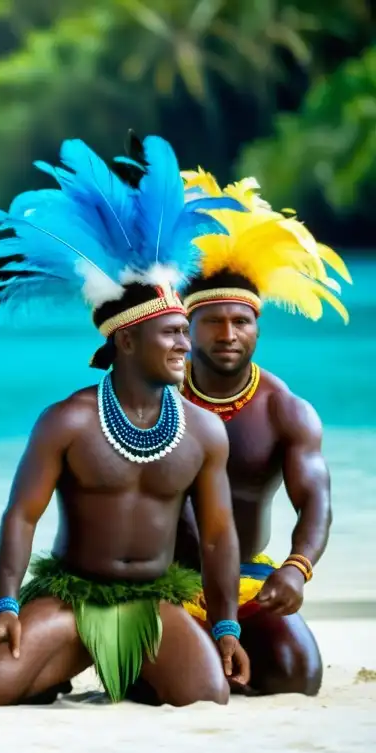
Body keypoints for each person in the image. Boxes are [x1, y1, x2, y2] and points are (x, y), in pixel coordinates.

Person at [0, 135, 249, 706]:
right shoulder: (67, 422)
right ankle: (69, 664)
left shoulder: (204, 431)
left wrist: (225, 625)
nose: (187, 344)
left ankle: (130, 672)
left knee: (209, 699)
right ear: (126, 340)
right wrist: (6, 605)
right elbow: (20, 517)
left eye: (186, 332)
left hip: (156, 598)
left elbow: (220, 534)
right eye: (173, 333)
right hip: (71, 598)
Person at [174, 168, 352, 696]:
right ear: (188, 327)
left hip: (249, 576)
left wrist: (297, 569)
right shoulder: (159, 400)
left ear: (257, 326)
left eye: (241, 321)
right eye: (212, 321)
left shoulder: (285, 411)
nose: (228, 333)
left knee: (299, 680)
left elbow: (315, 500)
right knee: (190, 688)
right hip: (165, 580)